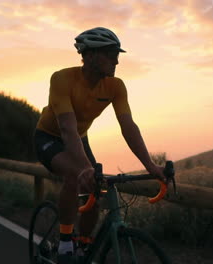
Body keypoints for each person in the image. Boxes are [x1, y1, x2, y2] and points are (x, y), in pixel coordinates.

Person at [33, 27, 166, 263]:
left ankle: (84, 244)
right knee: (76, 176)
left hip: (79, 138)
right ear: (92, 55)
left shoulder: (115, 86)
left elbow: (129, 127)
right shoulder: (62, 78)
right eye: (111, 54)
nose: (117, 60)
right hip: (49, 137)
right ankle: (65, 240)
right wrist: (84, 168)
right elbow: (67, 128)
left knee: (96, 185)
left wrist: (151, 166)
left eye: (117, 54)